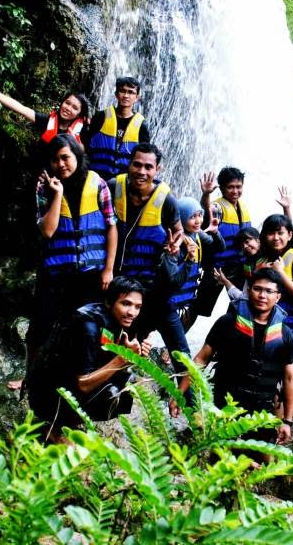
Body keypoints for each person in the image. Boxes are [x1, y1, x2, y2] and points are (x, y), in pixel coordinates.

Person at [18, 135, 117, 390]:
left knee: (91, 327)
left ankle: (92, 379)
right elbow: (48, 230)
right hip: (56, 272)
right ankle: (31, 379)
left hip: (91, 273)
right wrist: (57, 194)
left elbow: (111, 227)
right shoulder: (44, 187)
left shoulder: (98, 184)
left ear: (77, 156)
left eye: (65, 157)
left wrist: (108, 269)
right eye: (55, 160)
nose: (61, 164)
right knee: (40, 328)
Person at [170, 268, 293, 445]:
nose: (262, 295)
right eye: (257, 289)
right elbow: (200, 359)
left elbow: (290, 378)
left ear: (278, 297)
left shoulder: (285, 335)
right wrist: (180, 393)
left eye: (269, 291)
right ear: (249, 290)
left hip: (262, 411)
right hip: (225, 405)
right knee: (220, 454)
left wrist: (287, 421)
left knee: (261, 457)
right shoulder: (227, 322)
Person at [24, 276, 151, 441]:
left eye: (137, 307)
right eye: (126, 304)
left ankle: (69, 421)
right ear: (109, 302)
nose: (132, 312)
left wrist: (131, 353)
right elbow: (83, 384)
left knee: (127, 381)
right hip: (47, 395)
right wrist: (121, 359)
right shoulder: (88, 326)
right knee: (114, 391)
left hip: (62, 384)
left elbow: (101, 357)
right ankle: (57, 426)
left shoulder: (111, 318)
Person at [108, 143, 189, 370]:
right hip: (119, 283)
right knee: (118, 346)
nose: (141, 172)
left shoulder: (167, 200)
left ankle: (188, 393)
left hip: (152, 286)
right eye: (137, 165)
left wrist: (175, 245)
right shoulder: (113, 188)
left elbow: (179, 231)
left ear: (157, 169)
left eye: (148, 167)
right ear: (129, 164)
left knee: (182, 355)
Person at [253, 215, 293, 363]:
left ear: (289, 235)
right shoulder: (262, 260)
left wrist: (280, 272)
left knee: (286, 368)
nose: (276, 237)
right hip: (266, 323)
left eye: (280, 233)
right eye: (271, 233)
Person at [192, 167, 252, 319]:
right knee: (197, 309)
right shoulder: (217, 207)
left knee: (241, 309)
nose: (235, 191)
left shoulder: (243, 207)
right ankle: (177, 334)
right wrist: (206, 194)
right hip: (217, 269)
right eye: (230, 187)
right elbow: (206, 216)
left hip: (239, 268)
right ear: (222, 188)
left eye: (238, 187)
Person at [0, 75, 89, 143]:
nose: (68, 108)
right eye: (67, 103)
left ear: (79, 114)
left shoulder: (84, 132)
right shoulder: (47, 121)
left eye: (74, 108)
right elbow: (20, 108)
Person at [168, 197, 225, 332]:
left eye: (200, 215)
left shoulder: (197, 234)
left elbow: (219, 248)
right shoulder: (176, 240)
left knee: (179, 334)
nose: (198, 220)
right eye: (192, 217)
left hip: (186, 298)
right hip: (172, 299)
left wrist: (215, 232)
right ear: (181, 218)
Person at [87, 76, 150, 179]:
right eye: (122, 91)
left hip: (123, 180)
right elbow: (86, 145)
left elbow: (144, 156)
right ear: (116, 94)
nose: (126, 96)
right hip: (95, 176)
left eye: (131, 92)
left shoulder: (141, 126)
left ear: (137, 97)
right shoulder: (100, 117)